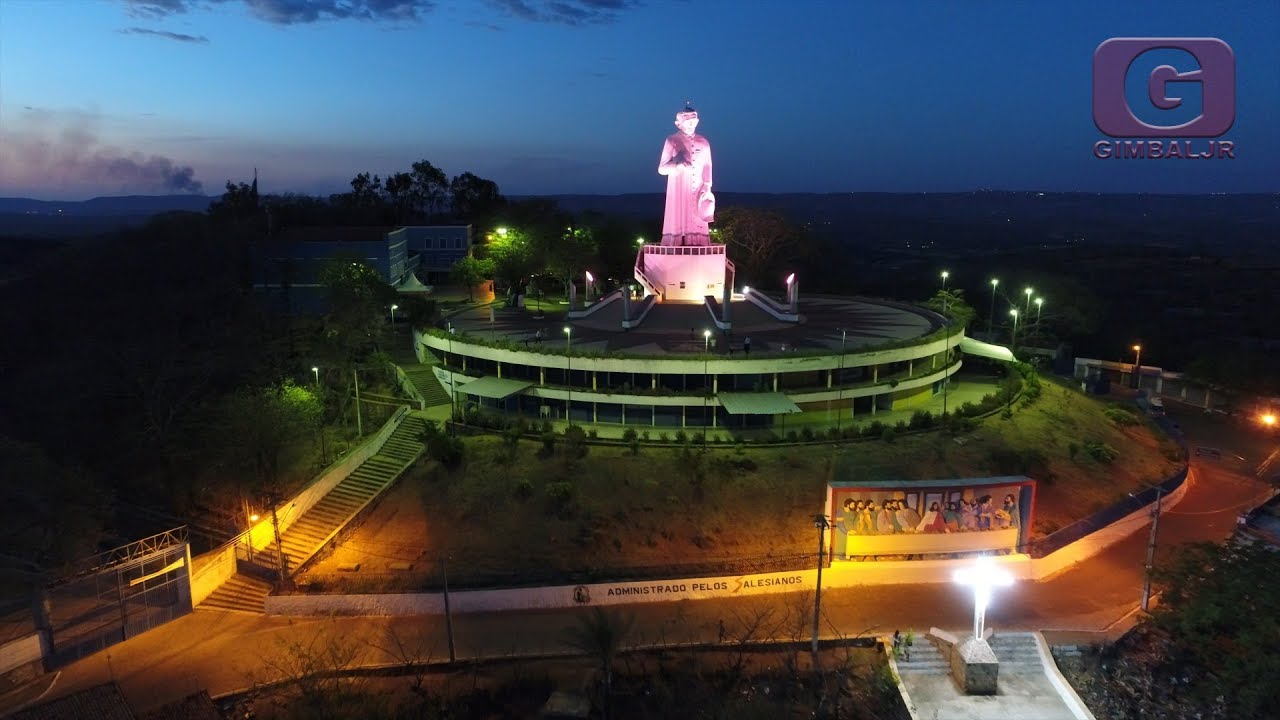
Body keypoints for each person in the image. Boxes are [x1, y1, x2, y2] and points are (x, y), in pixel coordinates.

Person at [658, 104, 714, 246]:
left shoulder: (704, 142)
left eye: (694, 123)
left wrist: (707, 186)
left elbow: (708, 165)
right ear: (678, 124)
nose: (691, 126)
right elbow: (662, 168)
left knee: (698, 216)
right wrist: (678, 165)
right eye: (688, 123)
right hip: (679, 189)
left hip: (699, 189)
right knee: (678, 218)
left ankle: (699, 243)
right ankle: (676, 243)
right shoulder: (672, 140)